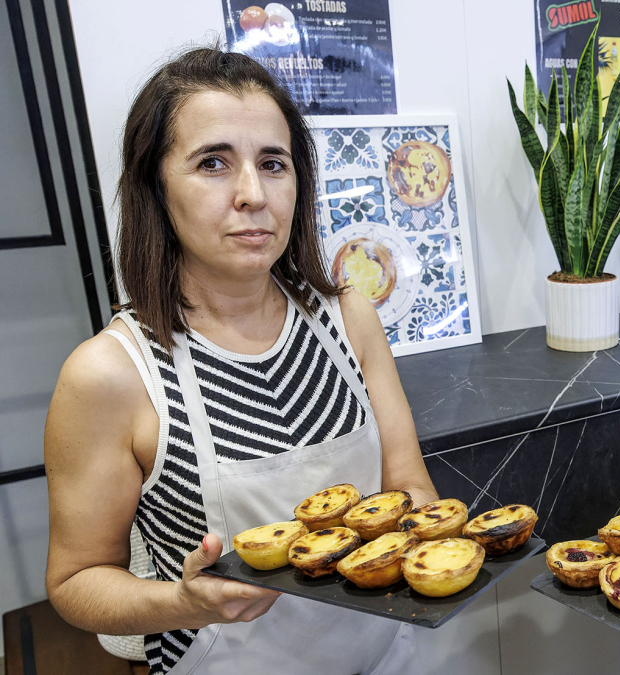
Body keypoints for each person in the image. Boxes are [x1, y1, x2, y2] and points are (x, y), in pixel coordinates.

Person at [44, 48, 437, 674]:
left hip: (387, 655)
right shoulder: (111, 374)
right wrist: (182, 600)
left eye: (273, 163)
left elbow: (409, 488)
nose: (253, 194)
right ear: (155, 186)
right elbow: (77, 582)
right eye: (213, 163)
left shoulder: (349, 321)